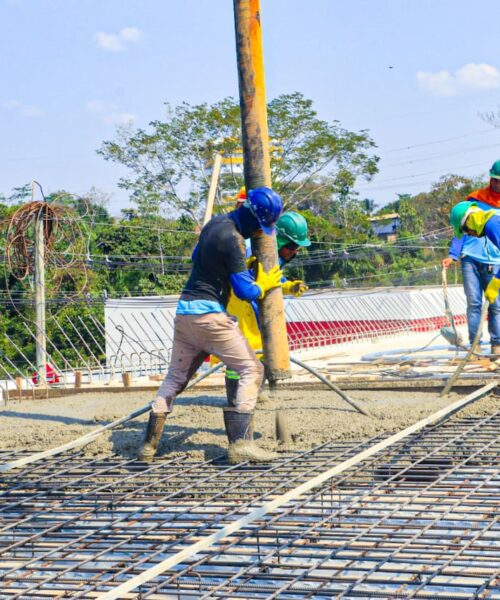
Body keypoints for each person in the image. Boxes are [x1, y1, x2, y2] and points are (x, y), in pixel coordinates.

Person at [139, 186, 284, 464]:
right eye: (260, 226)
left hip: (185, 314)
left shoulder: (215, 224)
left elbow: (197, 258)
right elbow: (244, 291)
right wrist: (262, 285)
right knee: (251, 369)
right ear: (254, 218)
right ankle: (241, 444)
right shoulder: (234, 239)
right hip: (210, 316)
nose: (259, 232)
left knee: (175, 379)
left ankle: (148, 445)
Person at [224, 211, 311, 404]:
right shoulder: (251, 250)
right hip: (239, 304)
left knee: (262, 350)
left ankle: (257, 392)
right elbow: (242, 282)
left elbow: (274, 278)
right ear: (280, 241)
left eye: (297, 248)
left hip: (256, 306)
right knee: (240, 352)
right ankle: (234, 397)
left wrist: (289, 286)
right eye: (292, 246)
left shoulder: (273, 253)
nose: (294, 252)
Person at [447, 168, 500, 355]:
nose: (469, 234)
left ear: (471, 221)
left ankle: (497, 344)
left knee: (496, 306)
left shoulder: (493, 225)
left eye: (466, 230)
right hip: (472, 258)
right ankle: (475, 344)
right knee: (474, 303)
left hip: (493, 262)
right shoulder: (482, 210)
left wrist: (496, 280)